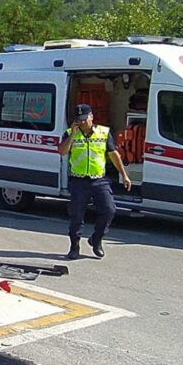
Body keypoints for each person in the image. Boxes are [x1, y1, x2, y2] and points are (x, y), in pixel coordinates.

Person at [58, 103, 132, 260]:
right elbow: (62, 152)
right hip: (79, 181)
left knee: (109, 210)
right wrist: (72, 136)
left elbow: (114, 155)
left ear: (91, 117)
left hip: (99, 179)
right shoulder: (70, 133)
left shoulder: (103, 133)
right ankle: (74, 246)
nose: (82, 122)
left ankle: (96, 239)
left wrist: (124, 175)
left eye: (84, 119)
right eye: (79, 119)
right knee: (76, 216)